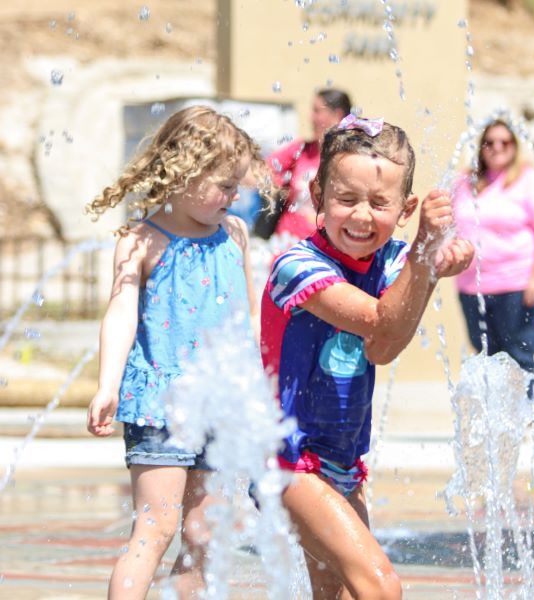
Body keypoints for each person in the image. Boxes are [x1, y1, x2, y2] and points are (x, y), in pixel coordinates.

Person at [260, 115, 474, 599]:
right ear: (317, 196)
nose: (361, 216)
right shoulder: (295, 265)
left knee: (333, 592)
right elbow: (380, 325)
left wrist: (429, 268)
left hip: (341, 460)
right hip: (286, 458)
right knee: (379, 586)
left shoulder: (393, 263)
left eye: (380, 203)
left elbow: (384, 346)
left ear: (406, 207)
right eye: (346, 199)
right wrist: (424, 255)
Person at [85, 105, 271, 599]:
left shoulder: (233, 233)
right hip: (160, 403)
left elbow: (248, 315)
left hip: (222, 404)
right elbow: (120, 313)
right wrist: (107, 385)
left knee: (203, 537)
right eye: (224, 186)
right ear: (182, 172)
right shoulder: (141, 240)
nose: (234, 198)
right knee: (155, 530)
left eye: (237, 186)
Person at [452, 118, 534, 402]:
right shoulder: (465, 183)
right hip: (473, 286)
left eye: (505, 142)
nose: (497, 148)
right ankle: (495, 422)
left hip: (517, 284)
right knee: (486, 357)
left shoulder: (529, 181)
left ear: (515, 147)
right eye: (490, 142)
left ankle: (524, 423)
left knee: (521, 356)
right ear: (481, 147)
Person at [256, 88, 352, 241]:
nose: (310, 117)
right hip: (287, 241)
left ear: (337, 115)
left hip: (326, 246)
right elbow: (261, 169)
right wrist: (275, 184)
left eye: (316, 111)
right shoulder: (301, 150)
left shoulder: (352, 159)